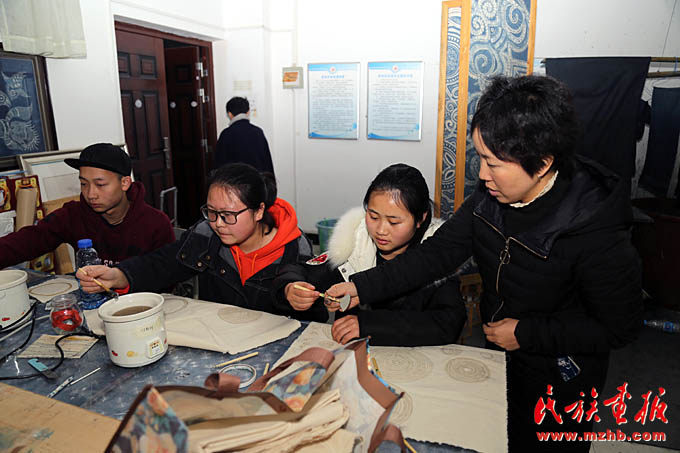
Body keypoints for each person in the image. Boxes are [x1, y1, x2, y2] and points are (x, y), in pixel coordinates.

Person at [324, 76, 643, 452]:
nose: (482, 174)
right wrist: (361, 287)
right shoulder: (490, 199)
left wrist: (526, 333)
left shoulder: (595, 229)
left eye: (494, 163)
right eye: (481, 158)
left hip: (561, 374)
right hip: (500, 355)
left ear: (542, 164)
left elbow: (619, 327)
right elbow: (436, 254)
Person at [77, 163, 318, 317]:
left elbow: (313, 317)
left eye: (228, 215)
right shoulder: (207, 233)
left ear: (258, 211)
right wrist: (119, 275)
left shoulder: (295, 248)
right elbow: (165, 263)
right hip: (216, 339)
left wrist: (297, 298)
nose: (218, 223)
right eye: (211, 212)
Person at [274, 164, 466, 346]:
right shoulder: (355, 245)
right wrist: (290, 288)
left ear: (420, 219)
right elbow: (299, 269)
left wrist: (369, 325)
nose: (381, 230)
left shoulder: (436, 256)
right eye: (373, 217)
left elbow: (448, 323)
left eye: (394, 222)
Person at [0, 143, 175, 269]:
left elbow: (166, 273)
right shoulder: (73, 215)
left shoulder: (155, 223)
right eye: (84, 184)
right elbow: (29, 240)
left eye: (100, 184)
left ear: (125, 183)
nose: (91, 194)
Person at [213, 97, 274, 174]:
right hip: (256, 178)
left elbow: (219, 164)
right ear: (248, 112)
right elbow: (267, 161)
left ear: (229, 114)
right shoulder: (258, 132)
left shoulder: (226, 134)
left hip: (235, 180)